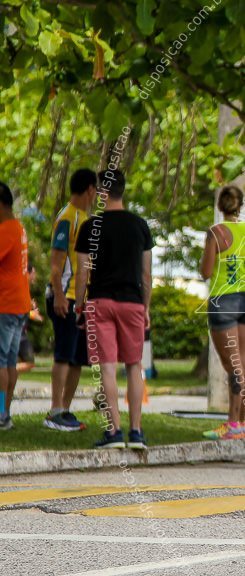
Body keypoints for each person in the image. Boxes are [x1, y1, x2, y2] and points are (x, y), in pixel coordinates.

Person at [74, 169, 153, 449]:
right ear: (122, 190)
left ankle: (114, 432)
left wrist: (80, 304)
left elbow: (82, 273)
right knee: (134, 365)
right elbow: (146, 274)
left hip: (101, 303)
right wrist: (146, 308)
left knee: (107, 368)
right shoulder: (140, 226)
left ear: (102, 192)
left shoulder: (90, 226)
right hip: (132, 303)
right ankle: (137, 433)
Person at [199, 186, 245, 440]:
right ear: (240, 205)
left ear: (219, 207)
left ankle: (232, 423)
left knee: (231, 365)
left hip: (223, 301)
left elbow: (206, 271)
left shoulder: (216, 232)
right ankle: (242, 422)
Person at [46, 168, 97, 431]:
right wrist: (57, 295)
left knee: (77, 358)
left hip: (80, 299)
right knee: (64, 355)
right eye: (96, 189)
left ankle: (65, 409)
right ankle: (54, 410)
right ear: (90, 189)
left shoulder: (84, 218)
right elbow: (55, 263)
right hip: (63, 296)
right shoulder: (67, 217)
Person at [0, 182, 31, 431]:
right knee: (9, 362)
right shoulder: (18, 227)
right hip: (18, 304)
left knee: (1, 363)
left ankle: (1, 412)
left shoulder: (6, 231)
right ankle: (4, 413)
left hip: (6, 304)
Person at [17, 264, 42, 374]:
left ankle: (7, 391)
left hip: (20, 331)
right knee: (27, 362)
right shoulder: (19, 288)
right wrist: (32, 314)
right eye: (33, 273)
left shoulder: (24, 289)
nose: (35, 277)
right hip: (18, 332)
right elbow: (19, 311)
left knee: (15, 362)